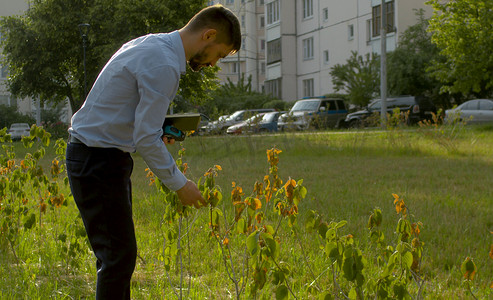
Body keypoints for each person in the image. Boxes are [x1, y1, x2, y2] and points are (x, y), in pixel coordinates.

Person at [65, 5, 241, 299]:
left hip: (98, 157)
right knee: (118, 257)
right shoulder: (165, 65)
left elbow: (132, 119)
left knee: (115, 256)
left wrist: (159, 131)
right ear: (208, 35)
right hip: (98, 160)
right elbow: (145, 139)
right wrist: (180, 185)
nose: (213, 64)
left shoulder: (150, 44)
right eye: (218, 55)